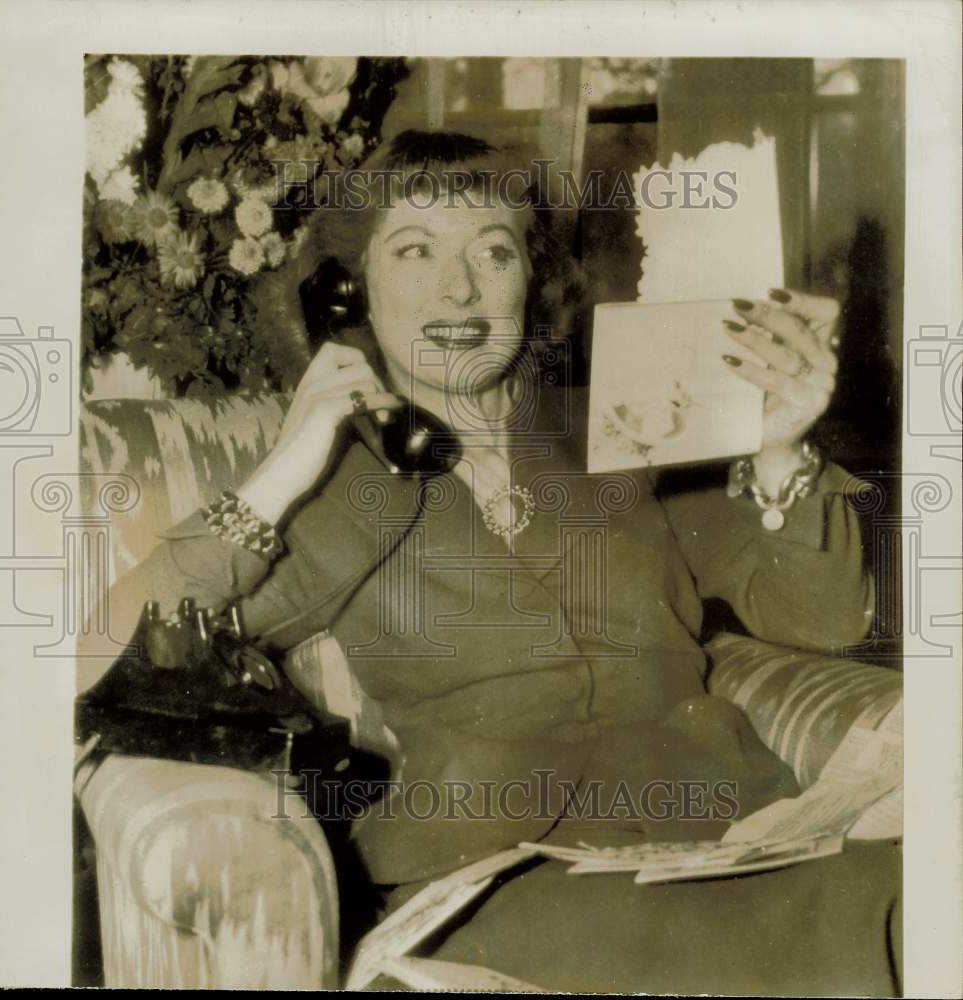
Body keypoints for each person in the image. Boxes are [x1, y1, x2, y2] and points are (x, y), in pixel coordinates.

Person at [101, 130, 901, 994]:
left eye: (493, 252)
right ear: (351, 292)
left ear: (532, 279)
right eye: (413, 251)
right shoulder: (338, 486)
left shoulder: (629, 422)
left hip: (725, 824)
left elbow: (818, 618)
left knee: (902, 904)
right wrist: (282, 469)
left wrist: (781, 448)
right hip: (502, 867)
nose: (459, 289)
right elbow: (103, 653)